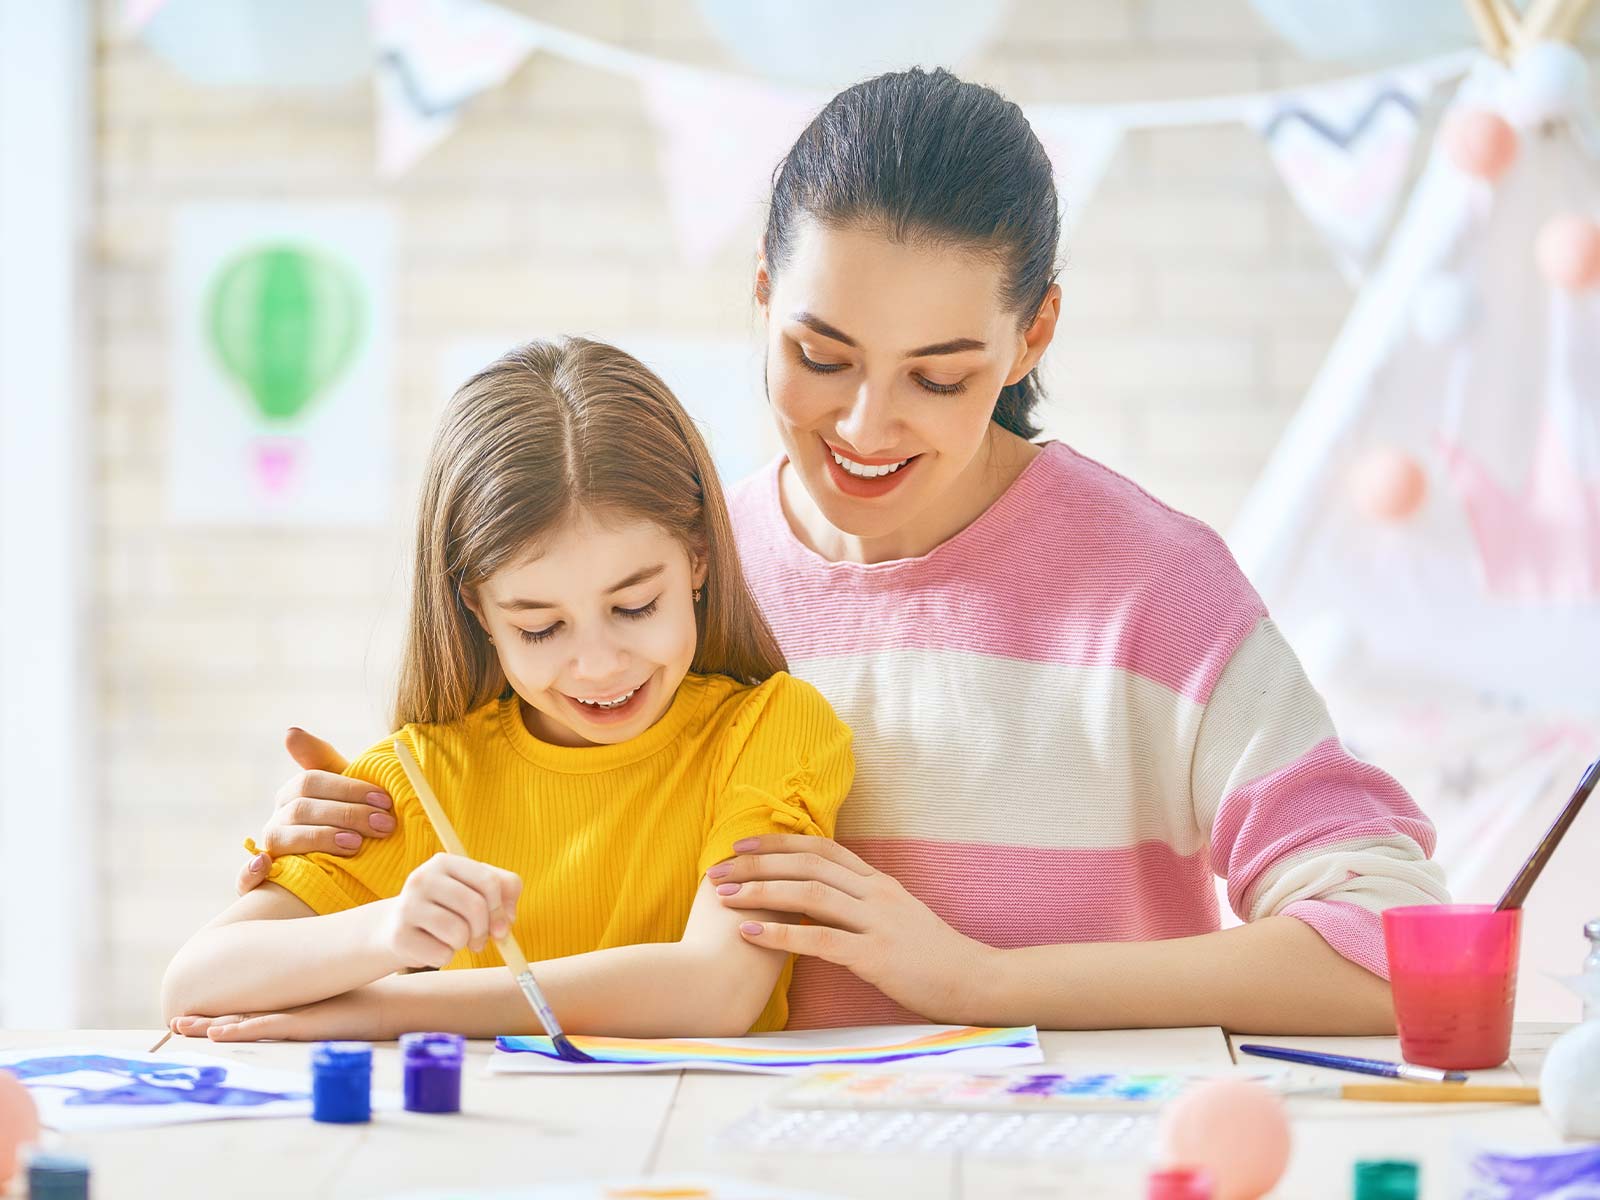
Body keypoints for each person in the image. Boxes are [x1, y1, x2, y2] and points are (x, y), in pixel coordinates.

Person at [241, 69, 1446, 1036]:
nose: (865, 428)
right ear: (761, 300)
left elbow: (1392, 950)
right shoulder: (667, 577)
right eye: (821, 356)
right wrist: (364, 838)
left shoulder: (1151, 588)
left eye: (939, 375)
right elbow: (545, 831)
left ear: (1032, 336)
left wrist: (981, 983)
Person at [162, 338, 853, 1042]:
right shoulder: (423, 778)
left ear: (699, 558)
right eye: (541, 627)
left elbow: (716, 991)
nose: (597, 666)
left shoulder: (771, 730)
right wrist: (385, 933)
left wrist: (376, 1011)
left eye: (635, 607)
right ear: (479, 612)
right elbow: (197, 982)